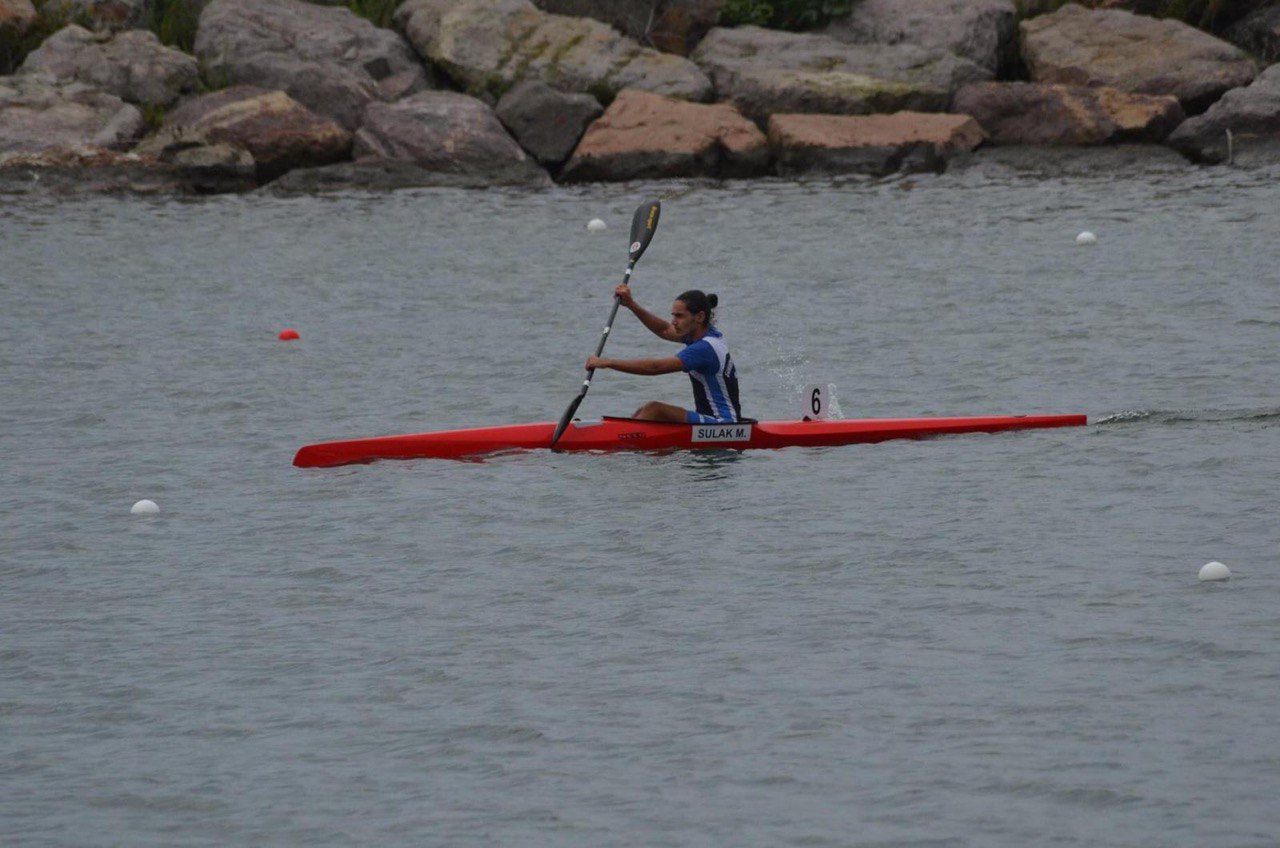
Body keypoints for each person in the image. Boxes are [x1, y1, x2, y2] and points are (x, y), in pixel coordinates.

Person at [586, 284, 742, 423]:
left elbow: (655, 368)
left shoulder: (704, 348)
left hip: (722, 423)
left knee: (655, 410)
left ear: (700, 317)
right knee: (644, 411)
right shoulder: (709, 333)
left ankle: (621, 445)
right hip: (710, 420)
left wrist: (606, 363)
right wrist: (631, 305)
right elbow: (663, 329)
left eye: (679, 316)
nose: (674, 321)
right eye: (673, 315)